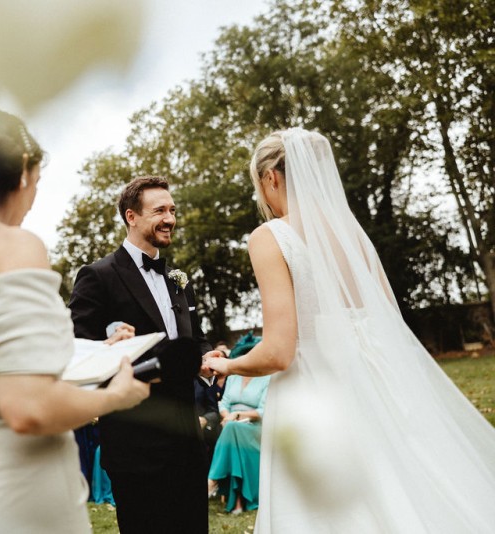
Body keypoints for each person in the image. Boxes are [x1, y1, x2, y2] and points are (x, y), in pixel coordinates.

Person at [205, 128, 495, 532]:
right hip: (378, 389)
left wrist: (227, 366)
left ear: (271, 177)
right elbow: (388, 325)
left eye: (260, 186)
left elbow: (279, 352)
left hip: (312, 397)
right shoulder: (353, 236)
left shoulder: (270, 237)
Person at [0, 110, 149, 534]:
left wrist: (93, 352)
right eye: (37, 184)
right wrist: (114, 396)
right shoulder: (14, 245)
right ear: (24, 174)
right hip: (14, 498)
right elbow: (28, 407)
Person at [68, 176, 222, 534]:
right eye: (159, 211)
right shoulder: (98, 276)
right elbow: (79, 349)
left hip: (187, 437)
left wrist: (208, 356)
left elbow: (193, 339)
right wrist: (115, 347)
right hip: (136, 442)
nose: (170, 218)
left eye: (172, 210)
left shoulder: (178, 279)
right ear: (131, 217)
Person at [206, 332, 269, 515]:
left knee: (233, 429)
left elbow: (264, 411)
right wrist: (227, 415)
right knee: (232, 431)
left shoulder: (267, 378)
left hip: (255, 428)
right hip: (231, 425)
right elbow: (224, 403)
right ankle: (238, 502)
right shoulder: (233, 376)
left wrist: (238, 415)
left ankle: (212, 480)